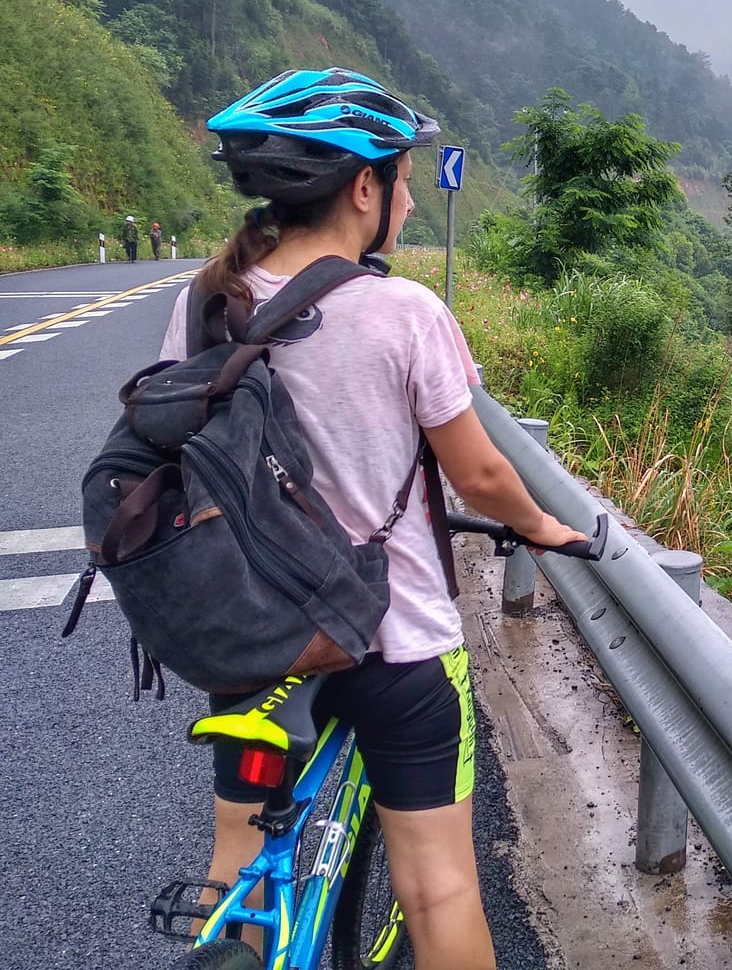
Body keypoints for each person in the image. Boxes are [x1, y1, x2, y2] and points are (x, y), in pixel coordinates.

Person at [161, 67, 587, 970]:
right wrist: (544, 527)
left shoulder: (203, 301)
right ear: (366, 187)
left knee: (238, 865)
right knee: (438, 891)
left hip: (257, 641)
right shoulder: (405, 311)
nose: (403, 199)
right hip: (397, 648)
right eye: (398, 177)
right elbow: (476, 473)